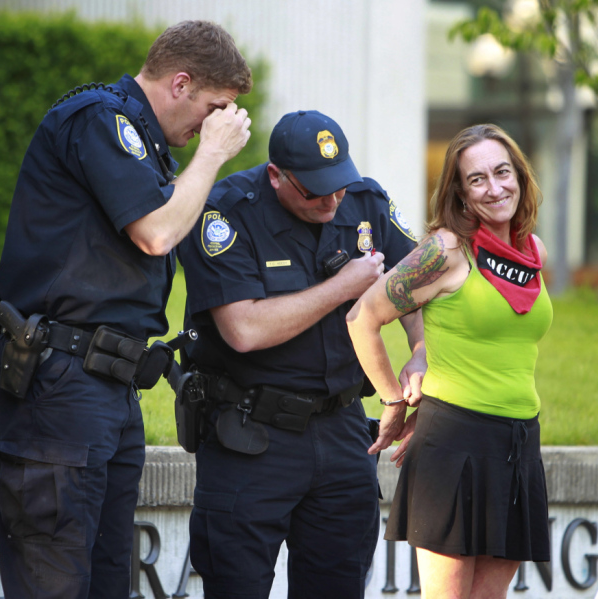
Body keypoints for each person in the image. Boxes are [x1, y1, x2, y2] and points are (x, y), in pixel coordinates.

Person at [0, 20, 252, 599]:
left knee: (107, 583)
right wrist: (212, 155)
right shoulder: (102, 119)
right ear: (180, 84)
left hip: (107, 385)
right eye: (215, 108)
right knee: (55, 584)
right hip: (58, 383)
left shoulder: (144, 140)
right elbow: (157, 233)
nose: (218, 125)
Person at [178, 109, 426, 599]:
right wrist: (343, 288)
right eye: (315, 191)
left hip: (342, 432)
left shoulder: (365, 202)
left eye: (338, 186)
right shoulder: (226, 212)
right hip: (250, 435)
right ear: (277, 176)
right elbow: (243, 329)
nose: (332, 200)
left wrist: (420, 350)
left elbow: (420, 283)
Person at [346, 123, 553, 599]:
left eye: (502, 172)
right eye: (477, 179)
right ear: (460, 192)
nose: (494, 188)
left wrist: (422, 355)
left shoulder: (533, 251)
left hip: (520, 442)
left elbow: (489, 338)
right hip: (455, 445)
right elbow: (363, 317)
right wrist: (393, 401)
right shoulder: (445, 251)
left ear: (520, 176)